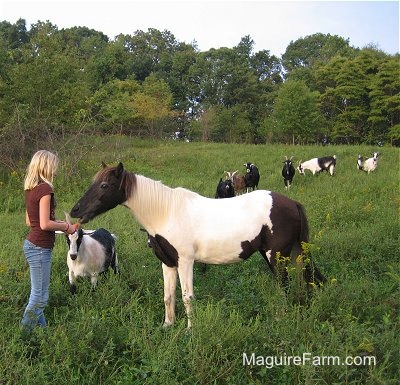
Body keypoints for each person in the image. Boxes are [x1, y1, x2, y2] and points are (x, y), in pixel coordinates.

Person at [21, 150, 78, 333]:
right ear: (46, 166)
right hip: (39, 248)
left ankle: (43, 334)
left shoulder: (31, 188)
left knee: (39, 295)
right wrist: (66, 227)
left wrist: (59, 224)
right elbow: (44, 224)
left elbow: (30, 221)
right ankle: (24, 335)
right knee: (40, 298)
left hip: (32, 245)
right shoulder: (45, 189)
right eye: (54, 166)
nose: (56, 170)